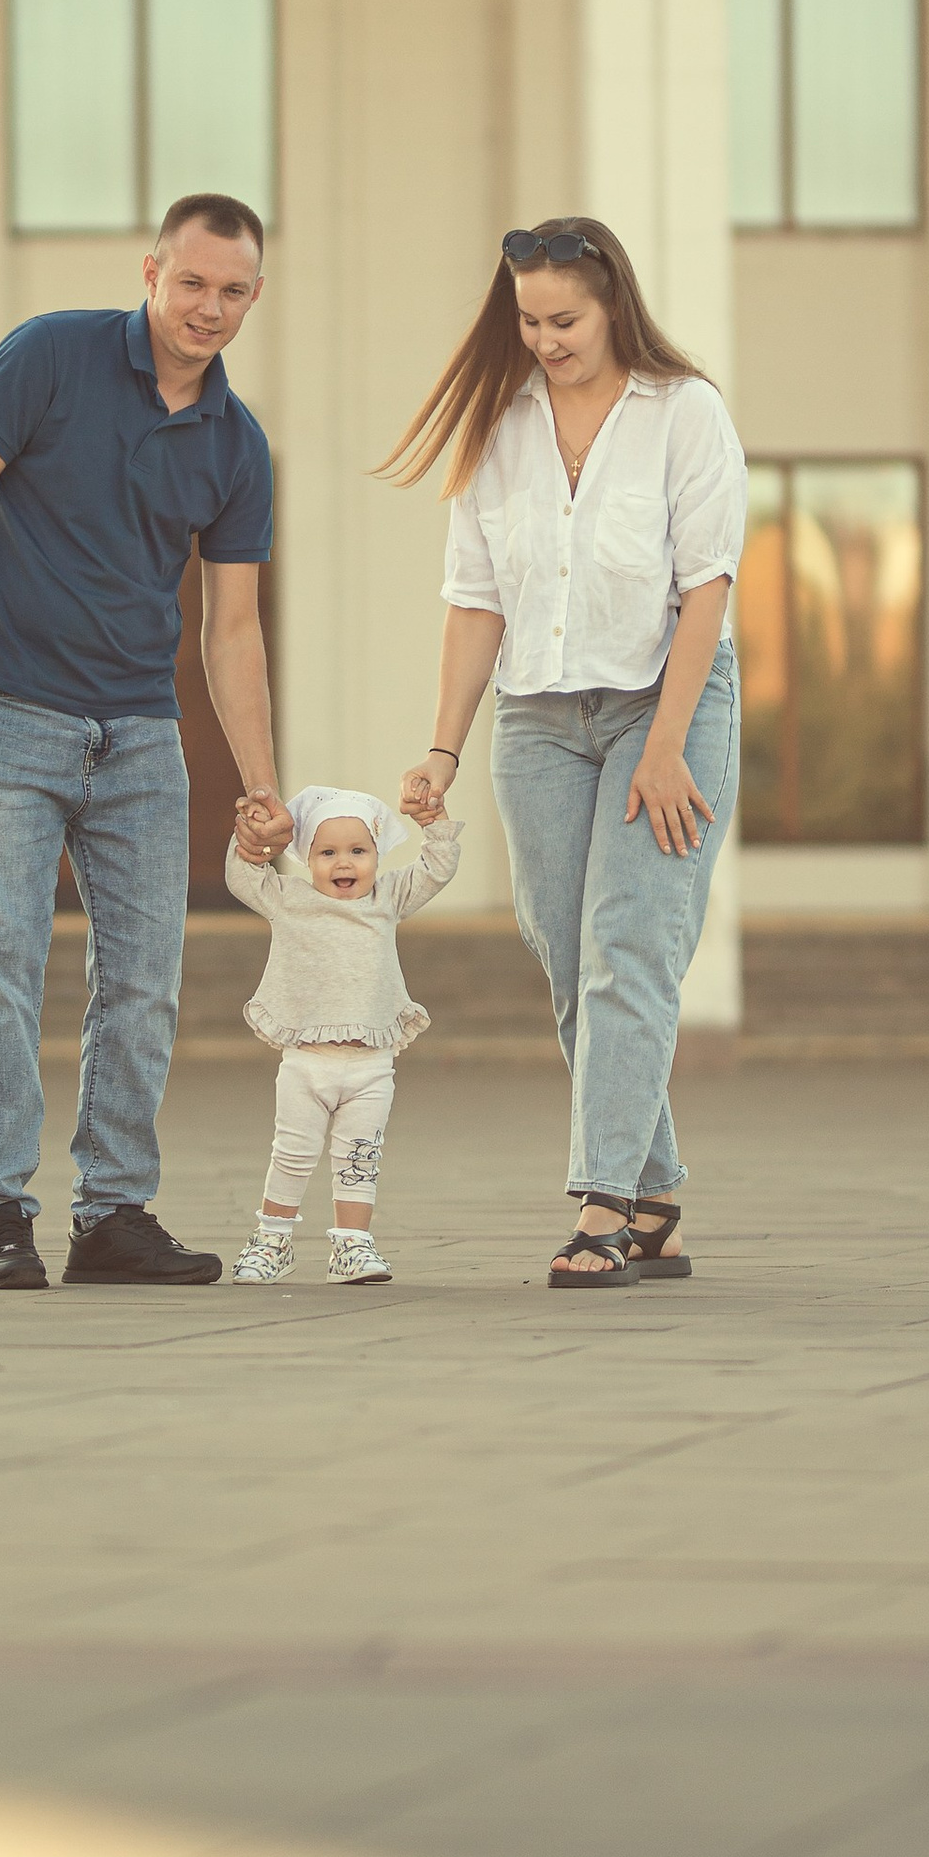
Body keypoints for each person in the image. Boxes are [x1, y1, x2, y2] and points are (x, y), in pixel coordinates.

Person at [0, 195, 280, 1290]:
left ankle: (114, 1211)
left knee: (144, 983)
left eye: (233, 291)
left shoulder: (236, 443)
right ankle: (1, 1209)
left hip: (139, 743)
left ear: (254, 298)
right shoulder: (50, 356)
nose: (208, 307)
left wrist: (260, 785)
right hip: (6, 717)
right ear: (153, 270)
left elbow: (233, 627)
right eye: (192, 282)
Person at [384, 219, 743, 1290]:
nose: (543, 339)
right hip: (535, 720)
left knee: (628, 946)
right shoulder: (499, 429)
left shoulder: (684, 413)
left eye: (564, 319)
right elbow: (474, 600)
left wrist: (668, 745)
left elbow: (707, 588)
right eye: (527, 320)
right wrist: (442, 749)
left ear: (612, 305)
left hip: (662, 704)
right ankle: (656, 1191)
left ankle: (600, 1207)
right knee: (566, 959)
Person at [222, 783, 461, 1286]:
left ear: (377, 855)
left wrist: (435, 825)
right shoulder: (289, 898)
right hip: (306, 1063)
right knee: (292, 1152)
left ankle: (352, 1247)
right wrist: (253, 831)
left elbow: (437, 869)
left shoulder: (388, 898)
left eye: (358, 851)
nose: (344, 863)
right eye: (327, 853)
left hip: (371, 1065)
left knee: (359, 1157)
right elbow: (243, 876)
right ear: (306, 858)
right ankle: (272, 1239)